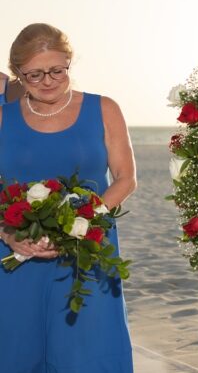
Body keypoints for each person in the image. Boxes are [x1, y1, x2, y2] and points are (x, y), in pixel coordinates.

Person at [0, 23, 136, 372]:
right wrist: (8, 233)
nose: (48, 81)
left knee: (88, 355)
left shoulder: (104, 109)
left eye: (57, 70)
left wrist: (78, 224)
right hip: (16, 256)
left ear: (69, 62)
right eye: (34, 75)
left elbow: (125, 179)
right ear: (17, 74)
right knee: (16, 352)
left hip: (88, 250)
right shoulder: (3, 116)